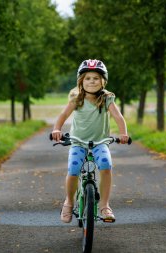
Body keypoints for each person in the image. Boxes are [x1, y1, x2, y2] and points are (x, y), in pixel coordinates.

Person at [52, 59, 129, 223]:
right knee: (73, 169)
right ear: (81, 80)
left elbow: (118, 117)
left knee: (106, 166)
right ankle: (69, 202)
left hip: (100, 142)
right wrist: (57, 129)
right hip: (78, 142)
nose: (92, 81)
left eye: (95, 78)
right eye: (88, 78)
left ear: (103, 81)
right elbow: (63, 115)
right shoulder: (76, 98)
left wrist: (123, 134)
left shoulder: (107, 99)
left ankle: (104, 205)